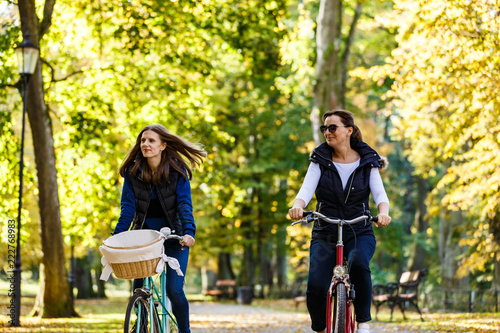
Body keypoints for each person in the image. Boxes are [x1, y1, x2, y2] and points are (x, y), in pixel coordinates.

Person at [288, 110, 391, 333]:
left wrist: (383, 213)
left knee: (359, 263)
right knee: (316, 284)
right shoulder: (319, 159)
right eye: (324, 128)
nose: (328, 132)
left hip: (359, 230)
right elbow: (305, 190)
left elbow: (380, 195)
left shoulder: (368, 161)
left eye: (332, 127)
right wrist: (298, 206)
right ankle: (321, 328)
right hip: (325, 231)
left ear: (349, 130)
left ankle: (363, 323)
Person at [114, 124, 206, 333]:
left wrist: (189, 232)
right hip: (144, 238)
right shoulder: (133, 172)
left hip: (175, 237)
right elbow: (127, 209)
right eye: (143, 140)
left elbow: (184, 204)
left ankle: (185, 331)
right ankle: (142, 324)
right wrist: (117, 237)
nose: (145, 144)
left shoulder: (176, 171)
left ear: (163, 145)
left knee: (174, 290)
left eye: (151, 140)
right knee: (139, 288)